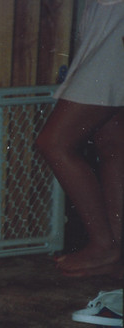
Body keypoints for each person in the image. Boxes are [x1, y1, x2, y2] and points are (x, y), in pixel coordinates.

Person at [36, 0, 124, 278]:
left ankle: (103, 245)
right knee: (111, 143)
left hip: (116, 21)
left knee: (55, 143)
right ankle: (114, 251)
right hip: (105, 17)